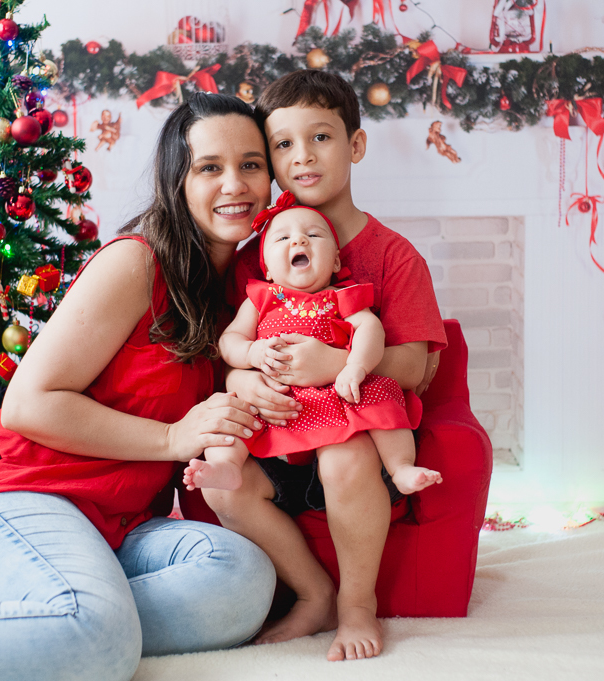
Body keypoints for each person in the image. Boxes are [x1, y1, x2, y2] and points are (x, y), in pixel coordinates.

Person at [0, 93, 276, 681]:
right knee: (99, 641)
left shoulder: (244, 300)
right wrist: (173, 436)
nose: (235, 183)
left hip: (113, 525)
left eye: (251, 164)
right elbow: (27, 404)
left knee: (242, 581)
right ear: (178, 181)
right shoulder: (138, 264)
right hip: (6, 495)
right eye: (210, 167)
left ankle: (62, 622)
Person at [200, 70, 447, 662]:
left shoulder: (393, 257)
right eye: (283, 144)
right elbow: (227, 348)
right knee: (224, 485)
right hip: (277, 433)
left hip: (352, 437)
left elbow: (412, 367)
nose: (302, 156)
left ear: (355, 145)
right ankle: (315, 594)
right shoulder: (257, 259)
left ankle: (357, 604)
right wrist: (244, 379)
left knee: (347, 454)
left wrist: (332, 361)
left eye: (321, 138)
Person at [182, 189, 442, 495]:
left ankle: (401, 467)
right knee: (227, 415)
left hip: (336, 392)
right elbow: (230, 340)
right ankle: (227, 467)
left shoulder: (342, 296)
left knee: (382, 395)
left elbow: (371, 329)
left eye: (313, 235)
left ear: (334, 261)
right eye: (282, 238)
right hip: (276, 403)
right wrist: (252, 352)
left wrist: (355, 366)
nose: (299, 241)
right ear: (267, 269)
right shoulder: (260, 298)